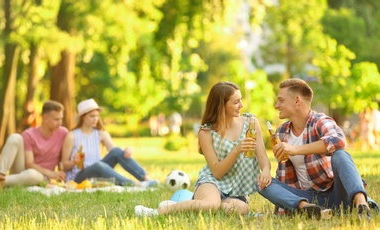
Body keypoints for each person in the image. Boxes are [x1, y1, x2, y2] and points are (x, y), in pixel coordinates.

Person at [135, 81, 272, 216]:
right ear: (221, 106)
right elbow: (217, 172)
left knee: (240, 209)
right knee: (210, 204)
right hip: (212, 182)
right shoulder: (206, 132)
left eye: (240, 100)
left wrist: (265, 170)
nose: (241, 105)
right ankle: (160, 211)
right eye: (236, 102)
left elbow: (263, 158)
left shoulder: (251, 123)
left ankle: (200, 204)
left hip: (236, 189)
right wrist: (236, 150)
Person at [256, 78, 378, 220]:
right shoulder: (282, 132)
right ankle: (309, 209)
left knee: (340, 155)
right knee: (260, 183)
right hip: (310, 198)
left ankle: (362, 205)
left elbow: (338, 140)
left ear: (297, 100)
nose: (277, 105)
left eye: (281, 100)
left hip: (336, 193)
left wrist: (296, 149)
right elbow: (284, 176)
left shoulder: (319, 121)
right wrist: (283, 205)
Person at [61, 98, 158, 187]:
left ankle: (146, 179)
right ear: (82, 117)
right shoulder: (72, 136)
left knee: (116, 152)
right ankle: (134, 184)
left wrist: (127, 150)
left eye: (97, 116)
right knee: (98, 165)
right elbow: (64, 164)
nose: (96, 119)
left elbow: (116, 152)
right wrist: (74, 162)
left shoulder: (100, 133)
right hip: (79, 177)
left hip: (98, 172)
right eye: (92, 116)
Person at [0, 100, 67, 187]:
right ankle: (0, 175)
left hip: (40, 177)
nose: (60, 123)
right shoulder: (29, 135)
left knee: (32, 175)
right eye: (56, 119)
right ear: (45, 118)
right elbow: (29, 164)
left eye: (61, 119)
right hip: (24, 171)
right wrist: (50, 173)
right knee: (15, 137)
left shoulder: (63, 133)